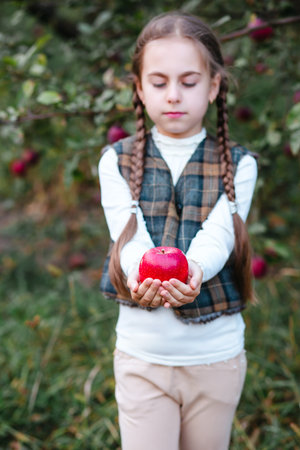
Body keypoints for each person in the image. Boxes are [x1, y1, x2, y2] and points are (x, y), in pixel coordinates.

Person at [98, 11, 257, 450]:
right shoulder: (115, 160)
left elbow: (218, 235)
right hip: (142, 356)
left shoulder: (239, 165)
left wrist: (195, 271)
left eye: (188, 82)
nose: (173, 96)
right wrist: (141, 275)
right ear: (139, 88)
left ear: (213, 86)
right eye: (159, 82)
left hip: (216, 357)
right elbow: (128, 237)